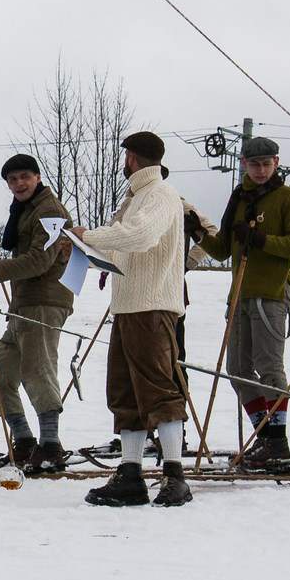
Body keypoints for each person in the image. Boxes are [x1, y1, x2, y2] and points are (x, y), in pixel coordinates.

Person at [73, 132, 192, 507]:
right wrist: (80, 244)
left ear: (134, 158)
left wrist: (88, 233)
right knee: (124, 392)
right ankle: (130, 473)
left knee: (159, 389)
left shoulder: (160, 194)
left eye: (126, 155)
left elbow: (140, 236)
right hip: (127, 307)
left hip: (152, 305)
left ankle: (175, 474)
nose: (123, 161)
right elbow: (118, 242)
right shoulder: (136, 197)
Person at [192, 136, 290, 470]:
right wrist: (198, 233)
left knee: (269, 369)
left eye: (266, 163)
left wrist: (260, 239)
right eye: (254, 164)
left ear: (276, 163)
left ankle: (278, 444)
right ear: (244, 164)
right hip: (239, 296)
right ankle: (265, 434)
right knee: (239, 370)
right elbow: (222, 250)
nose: (260, 170)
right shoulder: (239, 200)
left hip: (270, 294)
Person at [0, 154, 74, 472]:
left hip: (45, 301)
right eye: (12, 180)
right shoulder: (25, 211)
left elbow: (39, 261)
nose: (19, 184)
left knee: (37, 370)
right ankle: (25, 441)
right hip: (22, 306)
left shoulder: (50, 211)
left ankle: (51, 445)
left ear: (38, 177)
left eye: (25, 176)